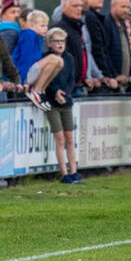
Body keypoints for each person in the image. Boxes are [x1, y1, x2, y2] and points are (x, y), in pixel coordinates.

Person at [39, 27, 82, 183]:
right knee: (60, 138)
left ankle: (74, 171)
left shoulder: (69, 58)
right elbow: (46, 80)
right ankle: (64, 173)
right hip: (51, 102)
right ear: (49, 43)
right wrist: (56, 92)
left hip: (67, 100)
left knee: (70, 137)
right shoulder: (46, 58)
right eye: (56, 41)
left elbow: (72, 79)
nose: (59, 44)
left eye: (62, 41)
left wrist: (65, 93)